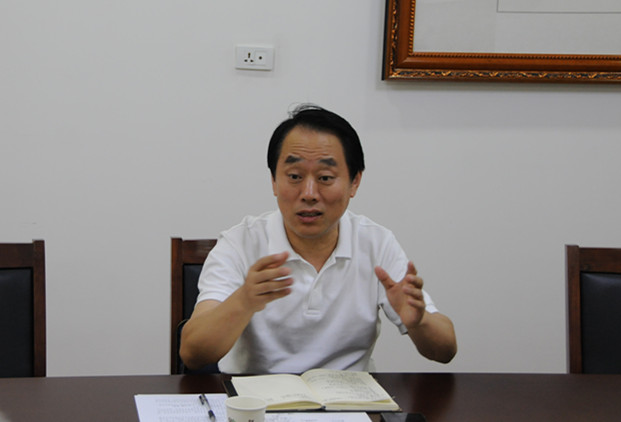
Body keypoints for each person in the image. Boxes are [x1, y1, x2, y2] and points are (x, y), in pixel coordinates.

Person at [180, 104, 457, 373]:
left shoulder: (376, 243)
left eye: (325, 178)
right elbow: (192, 354)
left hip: (350, 398)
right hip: (258, 399)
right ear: (274, 181)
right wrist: (244, 301)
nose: (309, 193)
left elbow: (445, 351)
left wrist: (419, 322)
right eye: (294, 176)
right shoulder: (240, 243)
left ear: (354, 182)